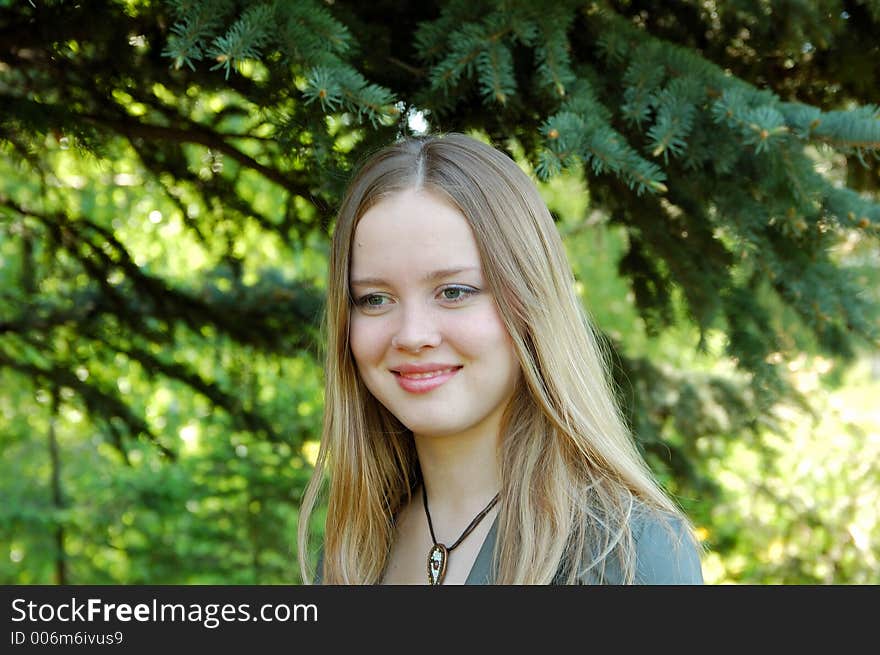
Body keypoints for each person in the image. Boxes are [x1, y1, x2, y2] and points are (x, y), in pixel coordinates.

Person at [297, 132, 704, 584]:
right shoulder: (349, 558)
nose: (412, 335)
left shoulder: (627, 554)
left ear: (530, 302)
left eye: (454, 292)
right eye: (374, 299)